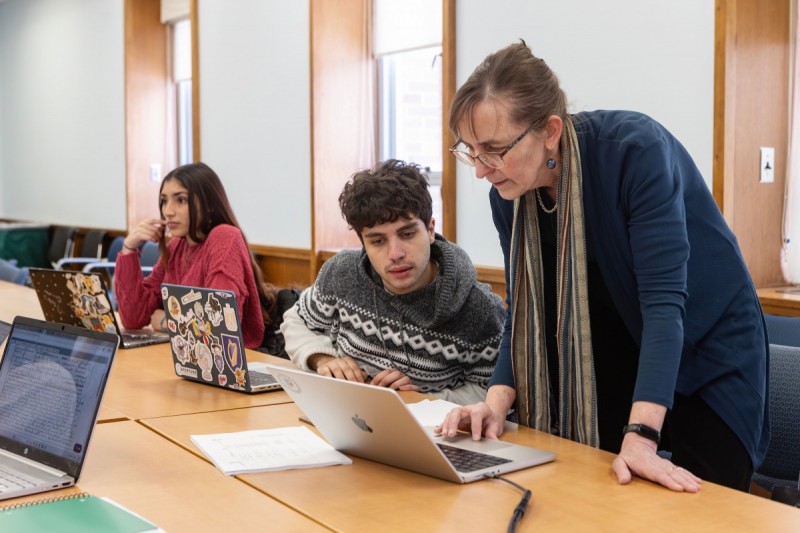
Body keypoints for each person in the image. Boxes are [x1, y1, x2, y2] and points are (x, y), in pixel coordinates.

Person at [436, 41, 769, 493]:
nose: (480, 170)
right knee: (592, 496)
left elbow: (664, 308)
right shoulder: (509, 195)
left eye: (493, 150)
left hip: (706, 349)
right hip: (613, 350)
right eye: (470, 151)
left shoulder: (634, 153)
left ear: (550, 130)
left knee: (702, 508)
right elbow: (525, 311)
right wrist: (494, 404)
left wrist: (643, 435)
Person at [281, 159, 505, 404]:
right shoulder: (341, 272)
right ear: (363, 243)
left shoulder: (479, 308)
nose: (395, 253)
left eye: (407, 234)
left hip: (432, 433)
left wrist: (421, 398)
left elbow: (491, 392)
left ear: (430, 230)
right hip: (344, 416)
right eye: (377, 241)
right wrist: (323, 359)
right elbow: (295, 321)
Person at [115, 162, 272, 349]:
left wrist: (167, 322)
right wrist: (129, 248)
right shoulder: (176, 246)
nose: (168, 211)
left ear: (209, 205)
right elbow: (134, 318)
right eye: (164, 201)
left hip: (231, 361)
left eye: (181, 200)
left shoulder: (225, 237)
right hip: (189, 354)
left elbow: (219, 325)